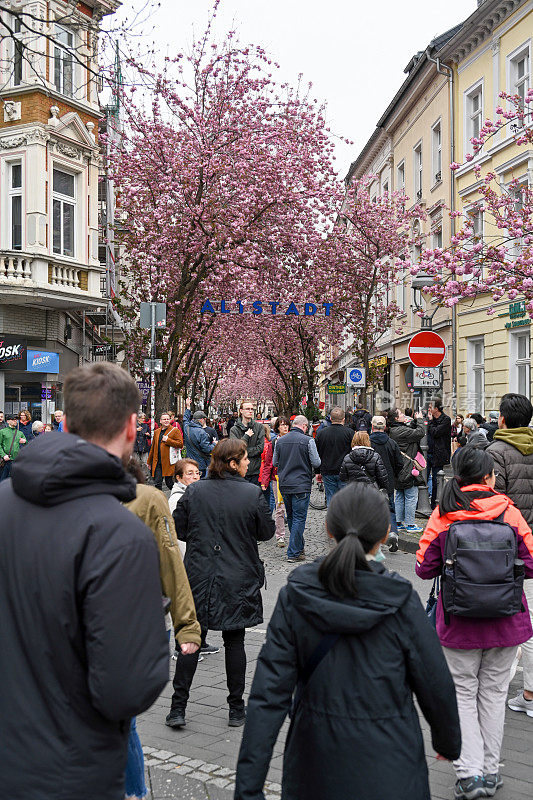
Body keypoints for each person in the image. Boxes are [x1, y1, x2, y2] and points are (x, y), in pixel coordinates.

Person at [0, 362, 169, 799]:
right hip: (69, 771)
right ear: (132, 428)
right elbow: (126, 688)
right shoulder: (119, 535)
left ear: (67, 421)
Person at [235, 483, 461, 800]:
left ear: (328, 529)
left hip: (314, 764)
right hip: (391, 764)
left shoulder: (297, 595)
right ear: (384, 534)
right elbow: (435, 679)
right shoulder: (400, 599)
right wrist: (448, 742)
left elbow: (267, 696)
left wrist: (248, 788)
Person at [416, 447, 533, 799]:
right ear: (488, 477)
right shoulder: (509, 513)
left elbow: (423, 566)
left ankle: (469, 774)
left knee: (463, 695)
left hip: (458, 622)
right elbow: (531, 563)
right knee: (495, 696)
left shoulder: (445, 514)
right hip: (506, 621)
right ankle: (491, 770)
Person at [168, 439, 275, 729]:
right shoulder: (252, 493)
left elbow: (180, 527)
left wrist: (203, 542)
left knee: (190, 640)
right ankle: (236, 709)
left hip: (200, 574)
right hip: (238, 576)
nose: (248, 463)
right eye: (244, 459)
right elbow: (266, 532)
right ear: (232, 463)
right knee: (235, 640)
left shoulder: (195, 490)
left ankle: (178, 708)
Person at [124, 457, 201, 800]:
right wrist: (187, 626)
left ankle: (133, 790)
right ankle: (135, 791)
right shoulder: (151, 498)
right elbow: (171, 560)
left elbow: (171, 557)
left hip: (134, 617)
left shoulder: (150, 500)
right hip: (144, 617)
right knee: (124, 720)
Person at [486, 393, 533, 718]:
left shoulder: (496, 452)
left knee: (516, 617)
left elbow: (493, 503)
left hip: (510, 546)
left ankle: (526, 693)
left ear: (502, 419)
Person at [273, 415, 321, 563]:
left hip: (285, 484)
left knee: (293, 517)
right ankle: (293, 552)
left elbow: (275, 462)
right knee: (299, 518)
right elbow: (316, 462)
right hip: (301, 484)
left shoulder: (279, 441)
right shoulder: (308, 440)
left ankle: (299, 549)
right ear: (305, 426)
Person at [388, 409, 425, 533]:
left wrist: (414, 421)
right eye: (401, 414)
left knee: (399, 495)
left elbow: (412, 432)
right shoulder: (400, 431)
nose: (404, 415)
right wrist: (420, 419)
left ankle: (398, 522)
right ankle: (410, 524)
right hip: (407, 467)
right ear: (396, 419)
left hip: (399, 467)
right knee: (410, 496)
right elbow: (420, 433)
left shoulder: (395, 430)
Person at [370, 415, 403, 551]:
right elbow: (399, 463)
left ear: (372, 427)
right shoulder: (391, 443)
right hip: (387, 481)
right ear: (384, 427)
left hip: (371, 481)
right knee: (389, 508)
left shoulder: (368, 442)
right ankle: (393, 532)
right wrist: (393, 474)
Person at [315, 406, 353, 505]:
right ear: (343, 419)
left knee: (330, 499)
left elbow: (317, 454)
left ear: (331, 419)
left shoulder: (321, 433)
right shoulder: (350, 433)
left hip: (327, 470)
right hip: (345, 471)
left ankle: (332, 519)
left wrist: (317, 471)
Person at [230, 399, 265, 485]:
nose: (250, 411)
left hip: (254, 471)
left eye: (251, 409)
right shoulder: (234, 430)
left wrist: (244, 452)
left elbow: (260, 448)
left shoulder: (259, 427)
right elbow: (235, 449)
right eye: (247, 409)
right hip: (239, 470)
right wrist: (246, 436)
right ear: (241, 411)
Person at [147, 411, 184, 491]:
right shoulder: (157, 432)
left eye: (168, 419)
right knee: (157, 483)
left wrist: (168, 440)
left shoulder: (175, 430)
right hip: (157, 462)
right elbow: (153, 448)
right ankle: (159, 501)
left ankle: (178, 497)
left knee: (169, 483)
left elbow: (180, 444)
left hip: (169, 462)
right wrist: (149, 461)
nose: (166, 420)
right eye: (164, 419)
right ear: (160, 421)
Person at [428, 400, 452, 509]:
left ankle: (435, 505)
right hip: (428, 453)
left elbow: (436, 432)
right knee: (423, 479)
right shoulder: (429, 419)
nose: (428, 410)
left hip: (439, 454)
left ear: (436, 409)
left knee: (436, 481)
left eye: (430, 407)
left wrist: (430, 422)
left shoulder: (446, 420)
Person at [183, 399, 215, 477]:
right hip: (200, 464)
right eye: (204, 419)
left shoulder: (186, 427)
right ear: (201, 420)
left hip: (189, 462)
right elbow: (206, 449)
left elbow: (185, 418)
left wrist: (188, 407)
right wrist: (214, 444)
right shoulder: (201, 432)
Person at [0, 413, 27, 481]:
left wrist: (25, 442)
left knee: (15, 481)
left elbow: (27, 446)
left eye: (16, 420)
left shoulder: (19, 433)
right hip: (6, 460)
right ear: (8, 421)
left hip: (16, 461)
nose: (15, 421)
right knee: (3, 480)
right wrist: (3, 455)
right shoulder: (3, 432)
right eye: (13, 420)